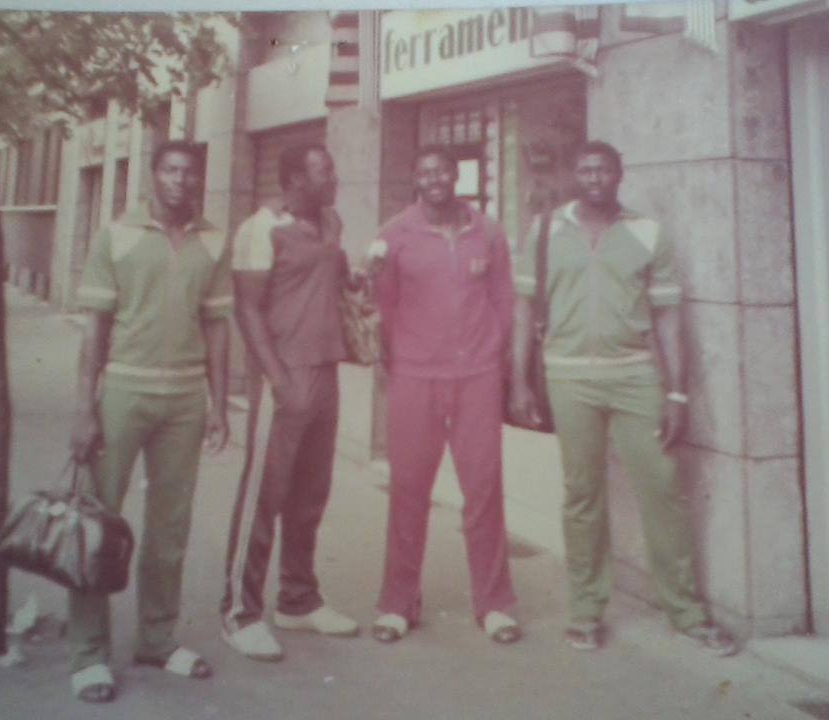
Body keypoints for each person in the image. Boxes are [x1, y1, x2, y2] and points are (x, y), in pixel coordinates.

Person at [509, 140, 736, 655]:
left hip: (636, 376)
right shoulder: (545, 230)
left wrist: (677, 392)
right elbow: (523, 309)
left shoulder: (647, 233)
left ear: (619, 175)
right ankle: (586, 611)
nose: (594, 177)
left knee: (662, 486)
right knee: (582, 495)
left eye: (604, 169)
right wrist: (519, 380)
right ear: (574, 173)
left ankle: (687, 612)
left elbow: (669, 316)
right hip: (568, 377)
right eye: (585, 168)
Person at [69, 140, 233, 702]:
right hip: (123, 392)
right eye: (170, 169)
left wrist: (217, 404)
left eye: (190, 173)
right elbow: (93, 328)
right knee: (97, 527)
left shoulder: (214, 240)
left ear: (198, 181)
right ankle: (89, 654)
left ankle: (157, 640)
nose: (180, 181)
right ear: (152, 175)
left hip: (185, 401)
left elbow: (216, 327)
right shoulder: (116, 234)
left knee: (170, 530)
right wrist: (83, 408)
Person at [369, 145, 521, 645]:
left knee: (483, 490)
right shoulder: (395, 234)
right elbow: (383, 308)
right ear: (415, 179)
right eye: (425, 171)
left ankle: (495, 604)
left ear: (457, 175)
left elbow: (503, 301)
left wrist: (498, 363)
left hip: (476, 377)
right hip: (415, 377)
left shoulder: (488, 231)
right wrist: (398, 365)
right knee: (409, 490)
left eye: (442, 170)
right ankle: (397, 603)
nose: (434, 178)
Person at [220, 143, 359, 662]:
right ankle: (240, 612)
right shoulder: (260, 228)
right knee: (264, 497)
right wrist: (277, 379)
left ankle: (298, 600)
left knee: (310, 496)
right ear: (296, 179)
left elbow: (334, 277)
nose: (335, 178)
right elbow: (247, 310)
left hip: (325, 370)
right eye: (325, 171)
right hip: (285, 375)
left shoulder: (332, 222)